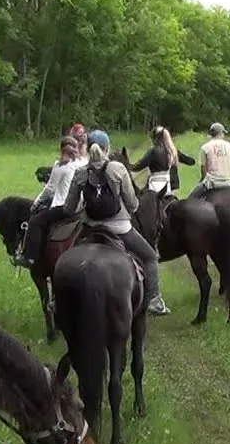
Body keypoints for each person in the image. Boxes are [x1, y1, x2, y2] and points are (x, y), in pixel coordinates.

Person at [64, 130, 170, 316]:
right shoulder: (118, 169)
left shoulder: (80, 172)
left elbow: (69, 209)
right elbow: (132, 203)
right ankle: (154, 300)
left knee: (65, 261)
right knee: (150, 257)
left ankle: (59, 300)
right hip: (120, 227)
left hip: (90, 227)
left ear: (87, 149)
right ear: (107, 148)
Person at [14, 135, 81, 269]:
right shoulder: (81, 163)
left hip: (63, 206)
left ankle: (29, 257)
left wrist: (36, 203)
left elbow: (50, 189)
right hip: (78, 205)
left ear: (61, 150)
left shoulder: (60, 167)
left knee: (35, 221)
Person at [188, 122, 230, 199]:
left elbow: (203, 167)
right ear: (221, 133)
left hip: (212, 182)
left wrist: (203, 179)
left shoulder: (205, 147)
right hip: (228, 181)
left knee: (191, 199)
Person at [131, 126, 180, 195]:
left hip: (154, 185)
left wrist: (129, 166)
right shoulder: (171, 151)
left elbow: (140, 165)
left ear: (156, 138)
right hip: (168, 186)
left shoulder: (153, 151)